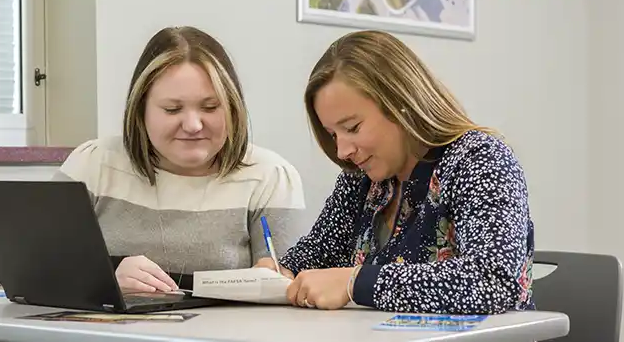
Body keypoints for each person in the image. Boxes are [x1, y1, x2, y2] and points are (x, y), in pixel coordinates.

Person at [255, 30, 535, 315]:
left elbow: (494, 282)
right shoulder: (360, 179)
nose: (342, 151)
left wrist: (356, 282)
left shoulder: (481, 159)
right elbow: (319, 254)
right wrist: (279, 271)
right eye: (332, 134)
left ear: (401, 105)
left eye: (352, 128)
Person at [52, 26, 307, 294]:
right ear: (140, 110)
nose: (193, 125)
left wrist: (276, 282)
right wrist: (106, 275)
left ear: (233, 107)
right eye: (172, 109)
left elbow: (292, 288)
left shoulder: (270, 177)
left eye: (210, 107)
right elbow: (29, 266)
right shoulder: (92, 164)